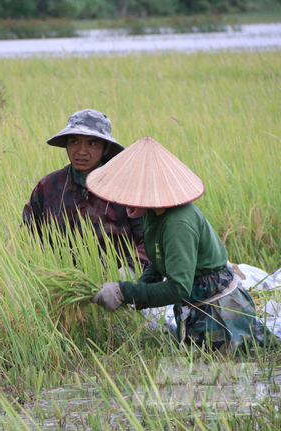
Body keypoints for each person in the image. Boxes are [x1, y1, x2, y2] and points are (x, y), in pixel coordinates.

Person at [88, 136, 273, 353]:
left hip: (214, 304)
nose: (126, 198)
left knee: (226, 366)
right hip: (193, 299)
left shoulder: (177, 223)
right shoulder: (152, 211)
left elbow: (178, 287)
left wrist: (125, 292)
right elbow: (160, 261)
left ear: (151, 189)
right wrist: (141, 288)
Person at [23, 109, 149, 274]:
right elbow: (28, 234)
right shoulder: (48, 187)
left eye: (91, 144)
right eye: (74, 142)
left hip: (118, 286)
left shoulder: (126, 188)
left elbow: (149, 239)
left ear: (106, 148)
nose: (81, 151)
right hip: (60, 284)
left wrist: (129, 272)